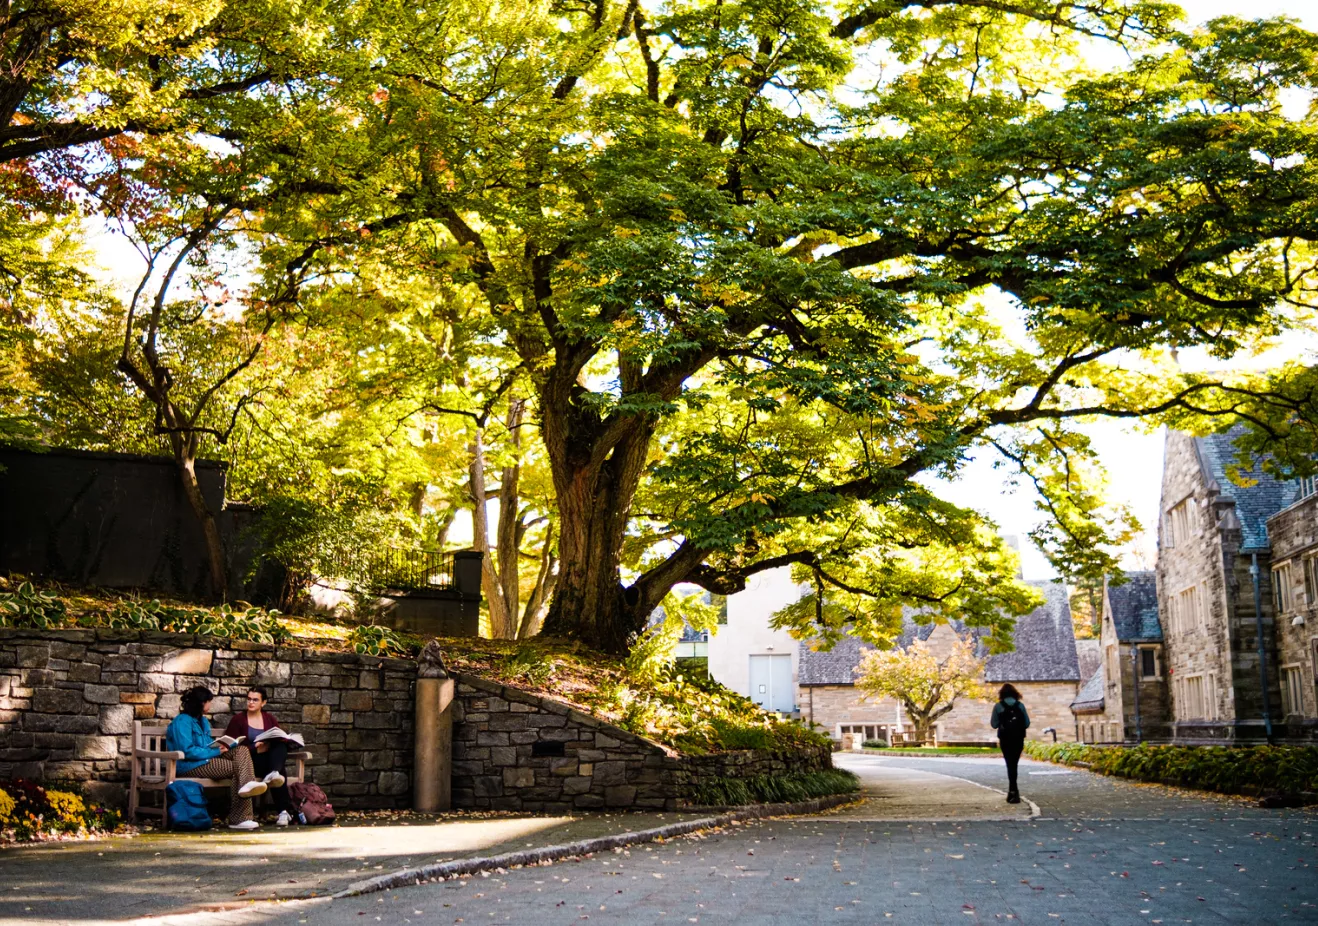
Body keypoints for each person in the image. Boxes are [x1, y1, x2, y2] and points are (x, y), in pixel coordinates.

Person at [165, 686, 267, 830]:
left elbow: (207, 745)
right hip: (189, 766)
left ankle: (246, 788)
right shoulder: (182, 721)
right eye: (208, 701)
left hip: (206, 760)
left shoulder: (203, 721)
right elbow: (187, 752)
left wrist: (227, 746)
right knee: (239, 769)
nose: (210, 705)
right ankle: (240, 819)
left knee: (242, 750)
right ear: (201, 703)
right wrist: (216, 752)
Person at [224, 686, 295, 826]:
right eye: (249, 699)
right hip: (248, 763)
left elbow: (279, 738)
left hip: (267, 761)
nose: (251, 702)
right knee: (279, 772)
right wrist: (255, 748)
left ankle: (274, 773)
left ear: (263, 703)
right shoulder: (238, 719)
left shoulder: (269, 718)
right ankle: (284, 811)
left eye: (255, 700)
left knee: (280, 746)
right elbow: (231, 748)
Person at [990, 683, 1030, 804]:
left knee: (1009, 764)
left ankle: (1012, 791)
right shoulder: (1020, 706)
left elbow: (994, 724)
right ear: (1015, 694)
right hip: (1018, 739)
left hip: (1005, 739)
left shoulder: (998, 706)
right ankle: (1014, 790)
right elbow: (1027, 723)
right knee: (1015, 763)